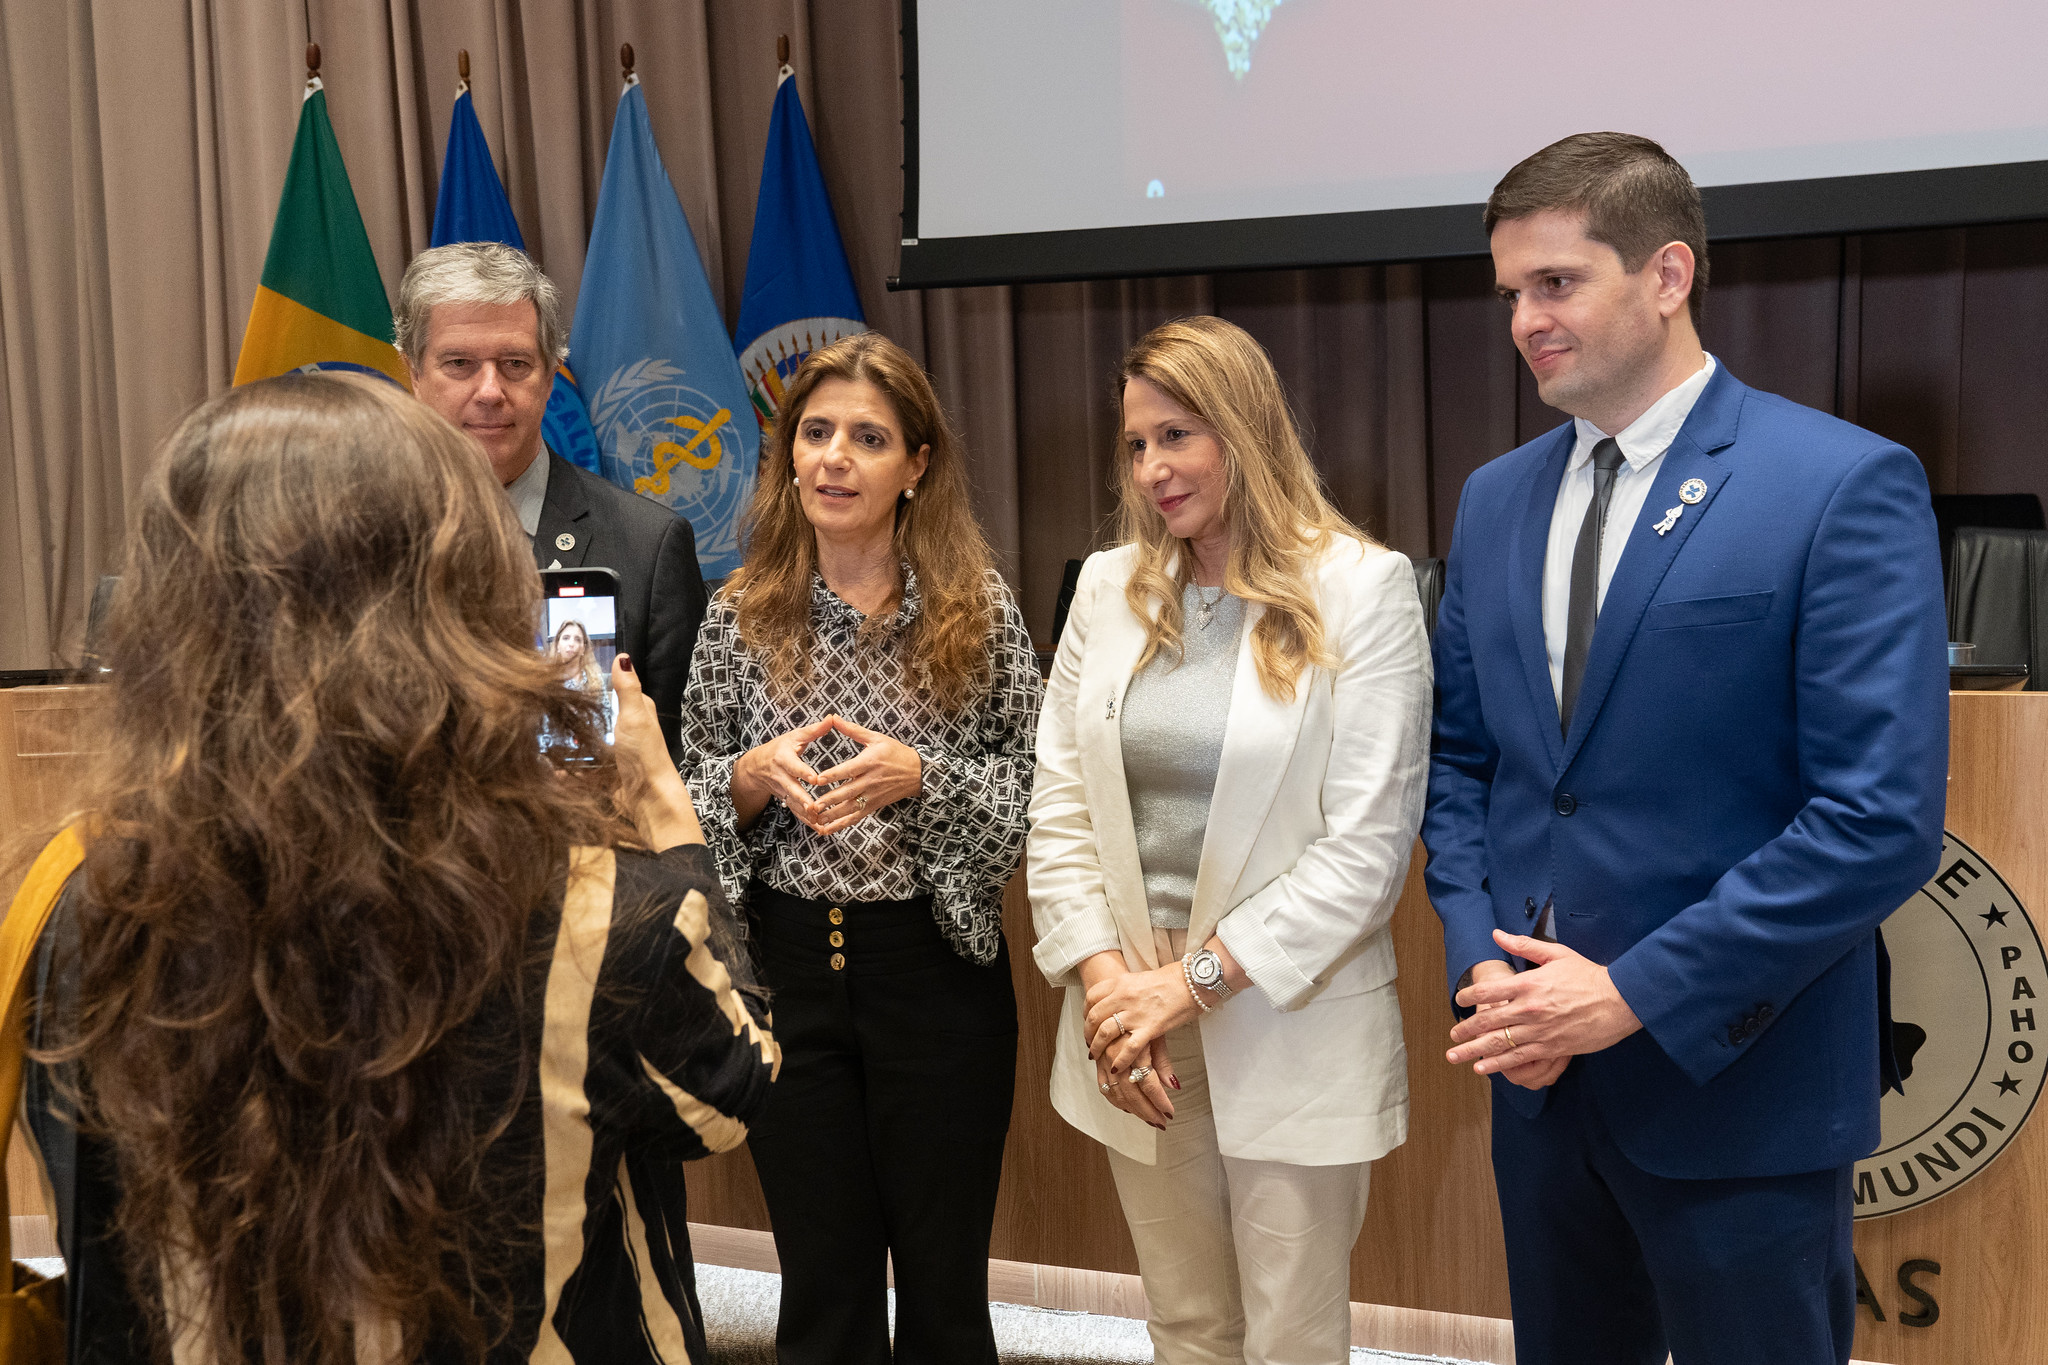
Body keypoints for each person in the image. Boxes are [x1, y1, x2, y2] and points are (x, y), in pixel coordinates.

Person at [20, 374, 778, 1365]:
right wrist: (674, 839)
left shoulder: (93, 906)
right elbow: (726, 1097)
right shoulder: (599, 908)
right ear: (462, 592)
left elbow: (103, 1254)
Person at [1423, 133, 1948, 1365]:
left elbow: (1877, 819)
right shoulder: (1492, 499)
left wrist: (1627, 994)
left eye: (1555, 283)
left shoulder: (1836, 482)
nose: (1523, 321)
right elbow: (1461, 767)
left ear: (1666, 275)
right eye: (1508, 293)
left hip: (1737, 1091)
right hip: (1537, 1087)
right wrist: (1484, 971)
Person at [1027, 315, 1432, 1364]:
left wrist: (1189, 982)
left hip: (1279, 1011)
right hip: (1133, 1022)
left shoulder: (1362, 589)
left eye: (1179, 435)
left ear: (1245, 430)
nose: (1153, 468)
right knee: (1186, 1325)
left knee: (1288, 1335)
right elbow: (1058, 805)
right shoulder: (1107, 590)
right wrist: (1112, 984)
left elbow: (1364, 854)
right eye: (1134, 444)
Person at [676, 332, 1040, 1365]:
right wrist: (747, 781)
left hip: (934, 974)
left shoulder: (979, 616)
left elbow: (1034, 789)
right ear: (787, 456)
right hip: (786, 970)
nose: (834, 458)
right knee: (823, 1287)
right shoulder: (736, 617)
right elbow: (681, 799)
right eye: (816, 433)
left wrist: (918, 778)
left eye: (867, 438)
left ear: (915, 464)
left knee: (942, 1289)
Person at [397, 241, 707, 758]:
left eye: (516, 363)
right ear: (413, 373)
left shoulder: (649, 547)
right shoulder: (354, 539)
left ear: (550, 376)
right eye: (459, 364)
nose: (491, 390)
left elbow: (685, 768)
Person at [552, 618, 618, 736]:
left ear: (583, 648)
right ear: (557, 645)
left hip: (593, 747)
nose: (571, 644)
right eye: (566, 638)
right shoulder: (548, 681)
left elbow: (606, 721)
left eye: (577, 639)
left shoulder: (596, 680)